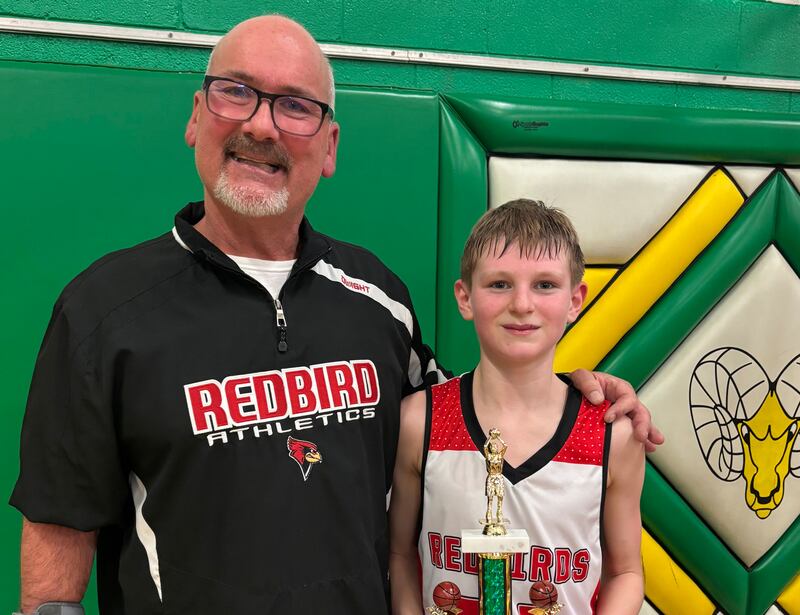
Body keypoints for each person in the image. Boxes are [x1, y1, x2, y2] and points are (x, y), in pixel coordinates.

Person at [10, 16, 659, 615]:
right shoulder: (103, 311)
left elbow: (472, 417)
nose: (261, 126)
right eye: (235, 91)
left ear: (329, 147)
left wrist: (582, 396)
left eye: (296, 106)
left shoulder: (378, 298)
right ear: (195, 116)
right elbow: (58, 520)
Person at [389, 199, 645, 615]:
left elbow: (626, 573)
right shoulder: (420, 421)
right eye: (499, 284)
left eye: (545, 285)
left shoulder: (614, 433)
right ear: (465, 297)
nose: (522, 304)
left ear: (575, 300)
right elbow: (400, 557)